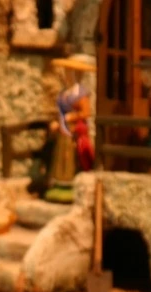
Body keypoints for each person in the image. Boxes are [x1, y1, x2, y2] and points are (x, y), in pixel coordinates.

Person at [49, 55, 96, 192]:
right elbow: (61, 111)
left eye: (70, 73)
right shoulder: (64, 92)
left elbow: (86, 112)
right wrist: (57, 121)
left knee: (70, 155)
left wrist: (72, 117)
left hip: (74, 129)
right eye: (66, 72)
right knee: (60, 154)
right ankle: (59, 181)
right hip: (63, 129)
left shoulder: (80, 93)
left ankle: (70, 182)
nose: (67, 76)